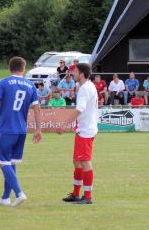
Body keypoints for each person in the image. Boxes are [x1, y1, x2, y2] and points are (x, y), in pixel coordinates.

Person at [0, 57, 42, 207]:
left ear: (10, 68)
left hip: (6, 129)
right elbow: (37, 108)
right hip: (21, 130)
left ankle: (19, 193)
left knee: (3, 163)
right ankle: (5, 198)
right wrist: (38, 129)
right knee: (11, 163)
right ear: (23, 69)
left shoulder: (4, 82)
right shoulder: (31, 85)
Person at [56, 63, 98, 205]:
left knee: (85, 162)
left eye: (75, 71)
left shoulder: (85, 88)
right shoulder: (88, 86)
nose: (72, 74)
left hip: (85, 131)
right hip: (84, 129)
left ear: (81, 74)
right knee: (77, 161)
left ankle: (87, 197)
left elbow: (79, 109)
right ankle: (75, 194)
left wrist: (64, 124)